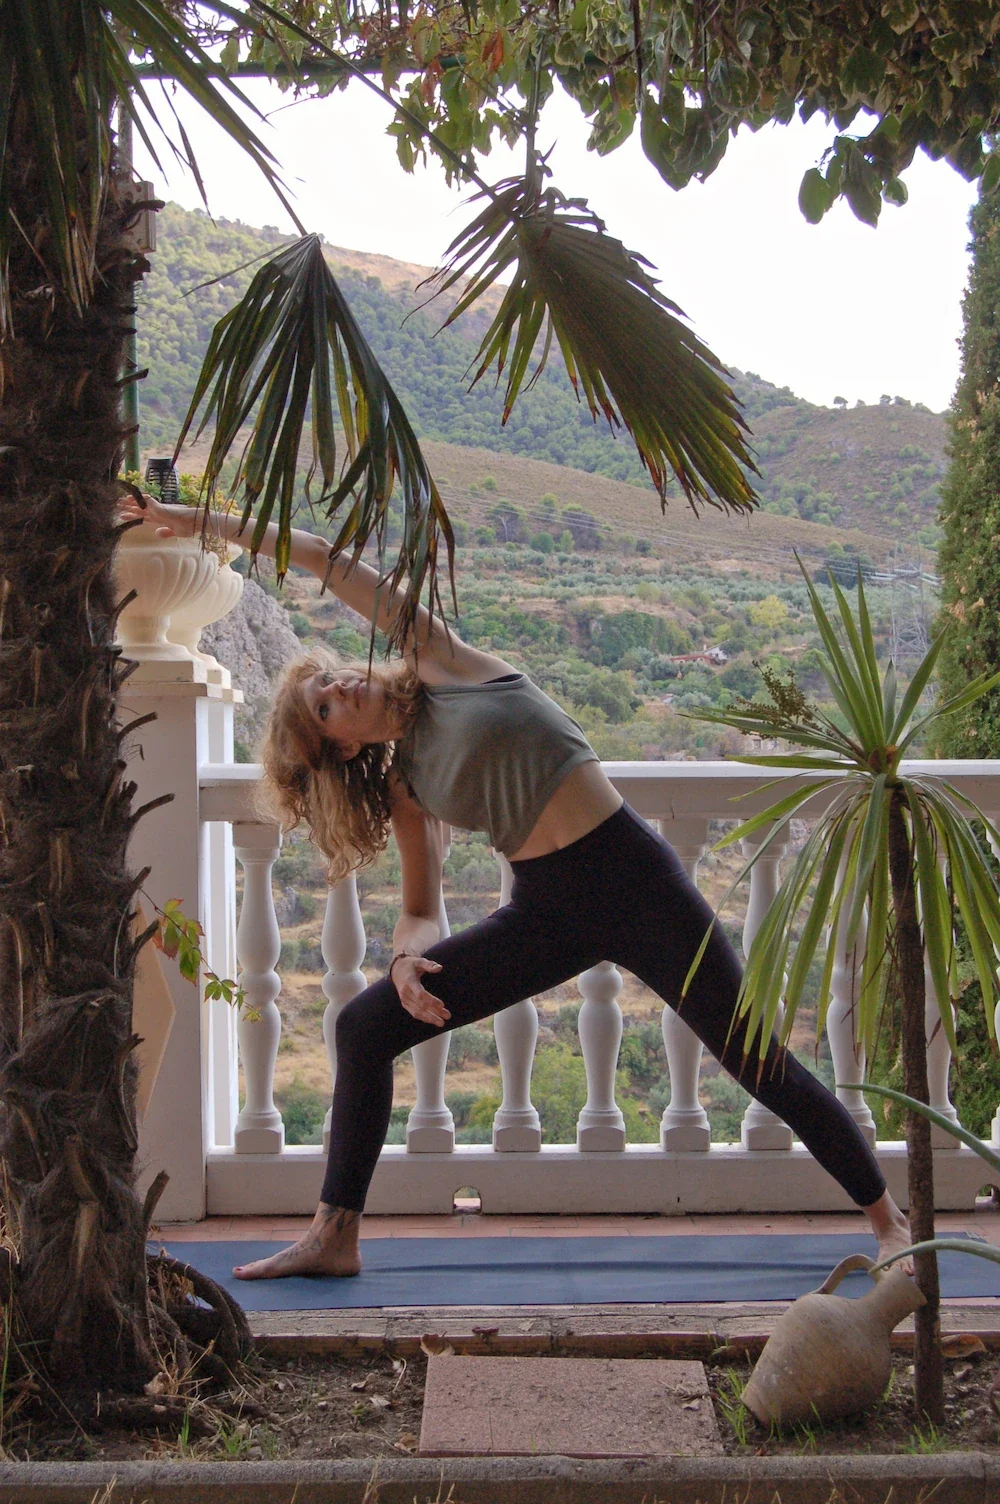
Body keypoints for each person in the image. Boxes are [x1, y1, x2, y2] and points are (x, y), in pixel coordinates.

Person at [124, 492, 915, 1281]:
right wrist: (404, 963)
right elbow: (421, 910)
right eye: (324, 706)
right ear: (336, 748)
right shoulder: (408, 786)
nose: (343, 689)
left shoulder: (444, 662)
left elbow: (324, 560)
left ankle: (890, 1223)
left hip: (635, 878)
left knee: (756, 1058)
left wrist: (203, 524)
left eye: (333, 679)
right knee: (364, 1028)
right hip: (548, 908)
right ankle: (335, 1234)